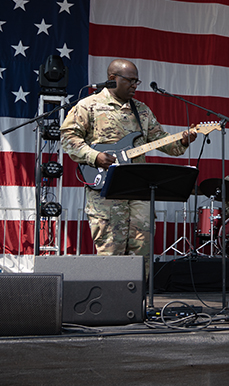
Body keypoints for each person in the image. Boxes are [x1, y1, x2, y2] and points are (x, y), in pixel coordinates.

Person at [60, 59, 197, 256]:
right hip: (107, 190)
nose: (134, 85)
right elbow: (68, 137)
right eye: (130, 80)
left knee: (143, 246)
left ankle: (142, 286)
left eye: (137, 81)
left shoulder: (141, 110)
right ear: (112, 79)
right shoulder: (89, 105)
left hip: (138, 189)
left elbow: (162, 141)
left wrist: (183, 141)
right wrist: (94, 156)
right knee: (111, 249)